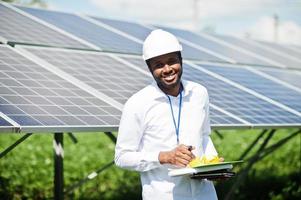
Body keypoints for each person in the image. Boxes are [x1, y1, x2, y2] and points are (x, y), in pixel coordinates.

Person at [115, 29, 219, 200]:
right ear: (149, 68)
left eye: (172, 61)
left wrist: (214, 166)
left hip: (204, 194)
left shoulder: (199, 93)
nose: (167, 69)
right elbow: (122, 157)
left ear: (181, 60)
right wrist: (164, 157)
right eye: (158, 65)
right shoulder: (137, 103)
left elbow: (205, 136)